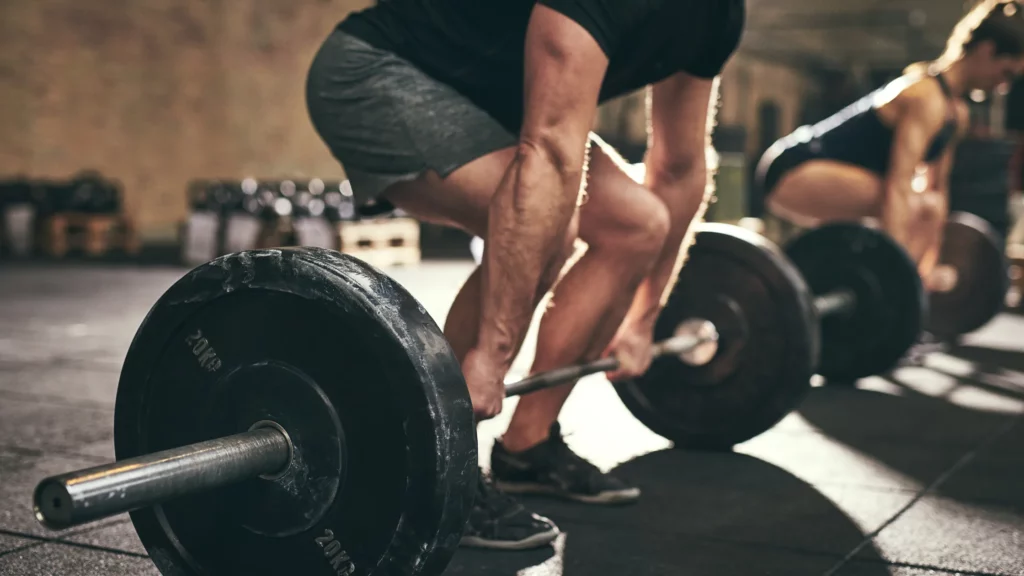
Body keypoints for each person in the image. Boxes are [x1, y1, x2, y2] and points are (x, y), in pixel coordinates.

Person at [306, 0, 744, 551]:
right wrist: (490, 356)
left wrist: (644, 318)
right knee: (547, 232)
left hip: (491, 102)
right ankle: (435, 470)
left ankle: (528, 448)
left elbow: (679, 167)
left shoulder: (718, 15)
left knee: (637, 224)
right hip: (377, 72)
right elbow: (551, 150)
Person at [756, 0, 1024, 290]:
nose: (1003, 86)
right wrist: (897, 275)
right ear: (987, 51)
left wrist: (929, 264)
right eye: (1007, 73)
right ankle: (894, 283)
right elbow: (898, 185)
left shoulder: (956, 113)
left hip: (838, 178)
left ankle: (900, 284)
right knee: (914, 203)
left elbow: (938, 189)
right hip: (791, 170)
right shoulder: (926, 97)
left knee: (928, 205)